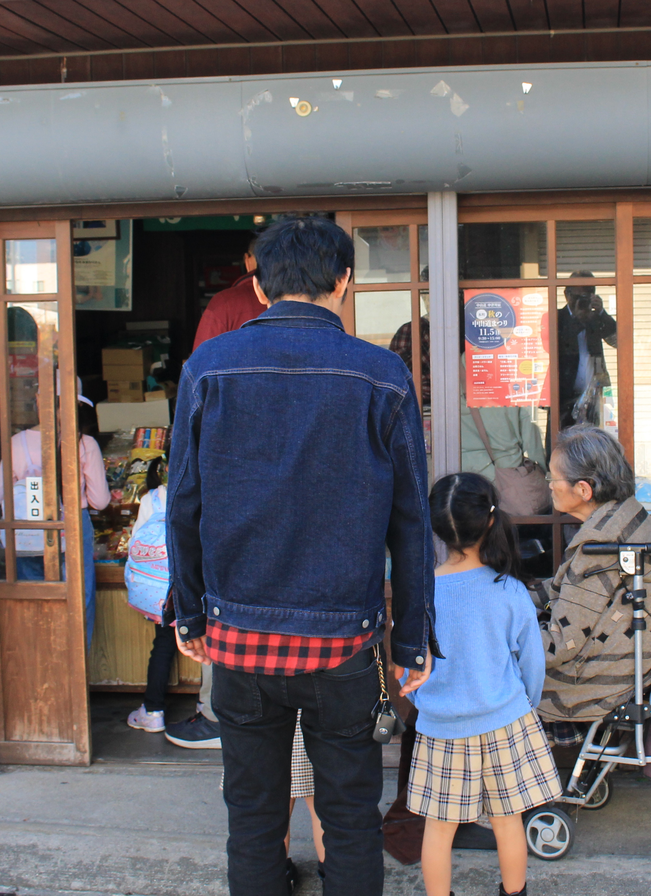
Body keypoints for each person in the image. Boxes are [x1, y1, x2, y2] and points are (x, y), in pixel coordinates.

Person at [168, 215, 437, 896]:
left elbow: (184, 505)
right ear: (344, 282)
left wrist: (192, 613)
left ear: (259, 287)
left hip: (238, 637)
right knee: (350, 818)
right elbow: (411, 519)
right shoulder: (382, 375)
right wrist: (413, 640)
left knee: (252, 818)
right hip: (344, 641)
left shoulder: (209, 368)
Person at [408, 472, 560, 896]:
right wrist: (521, 704)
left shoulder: (421, 595)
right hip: (505, 721)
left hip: (441, 728)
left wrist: (429, 700)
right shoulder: (509, 589)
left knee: (438, 829)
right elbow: (532, 664)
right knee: (508, 822)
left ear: (436, 527)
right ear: (491, 520)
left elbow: (409, 670)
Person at [166, 232, 262, 750]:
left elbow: (194, 387)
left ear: (250, 262)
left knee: (224, 583)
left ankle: (219, 714)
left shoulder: (225, 305)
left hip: (228, 468)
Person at [535, 425, 651, 742]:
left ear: (583, 490)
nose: (548, 486)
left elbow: (563, 644)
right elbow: (577, 596)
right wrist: (518, 594)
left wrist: (503, 641)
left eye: (552, 478)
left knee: (482, 678)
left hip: (598, 682)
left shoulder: (600, 544)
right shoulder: (628, 515)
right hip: (641, 663)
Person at [8, 385, 108, 648]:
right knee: (77, 598)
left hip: (26, 530)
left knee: (33, 599)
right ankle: (75, 675)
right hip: (73, 525)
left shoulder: (15, 444)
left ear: (40, 403)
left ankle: (40, 670)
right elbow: (100, 500)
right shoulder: (85, 444)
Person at [125, 457, 175, 733]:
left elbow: (135, 542)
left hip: (160, 589)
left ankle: (153, 711)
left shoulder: (151, 499)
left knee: (164, 646)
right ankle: (209, 710)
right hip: (195, 582)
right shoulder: (201, 490)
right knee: (209, 647)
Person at [556, 271, 617, 432]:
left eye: (586, 296)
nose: (581, 302)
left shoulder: (595, 317)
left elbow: (619, 341)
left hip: (594, 394)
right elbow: (555, 345)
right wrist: (576, 317)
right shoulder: (557, 317)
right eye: (577, 296)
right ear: (566, 294)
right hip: (564, 395)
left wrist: (601, 313)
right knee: (564, 441)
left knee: (596, 440)